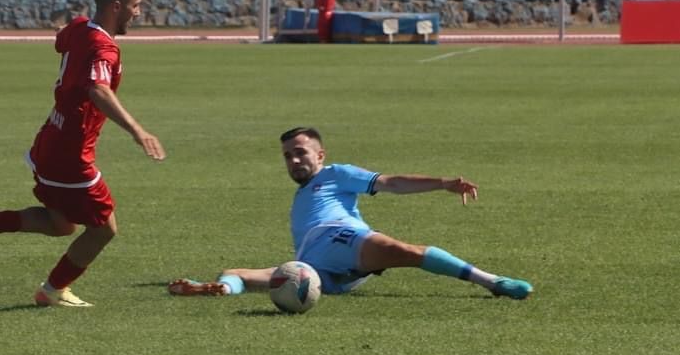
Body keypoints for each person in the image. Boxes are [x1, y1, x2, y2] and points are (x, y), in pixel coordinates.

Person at [0, 0, 165, 308]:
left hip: (48, 142)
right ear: (116, 6)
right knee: (104, 229)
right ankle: (53, 290)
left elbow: (61, 41)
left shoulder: (78, 27)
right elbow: (98, 89)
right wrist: (138, 131)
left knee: (61, 224)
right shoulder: (105, 49)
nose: (139, 11)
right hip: (72, 156)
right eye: (136, 5)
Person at [169, 126, 533, 301]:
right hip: (312, 265)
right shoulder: (302, 196)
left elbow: (390, 183)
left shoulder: (334, 174)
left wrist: (443, 183)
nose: (294, 160)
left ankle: (492, 282)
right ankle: (218, 290)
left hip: (339, 236)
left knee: (405, 251)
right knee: (237, 273)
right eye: (287, 156)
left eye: (300, 152)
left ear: (320, 155)